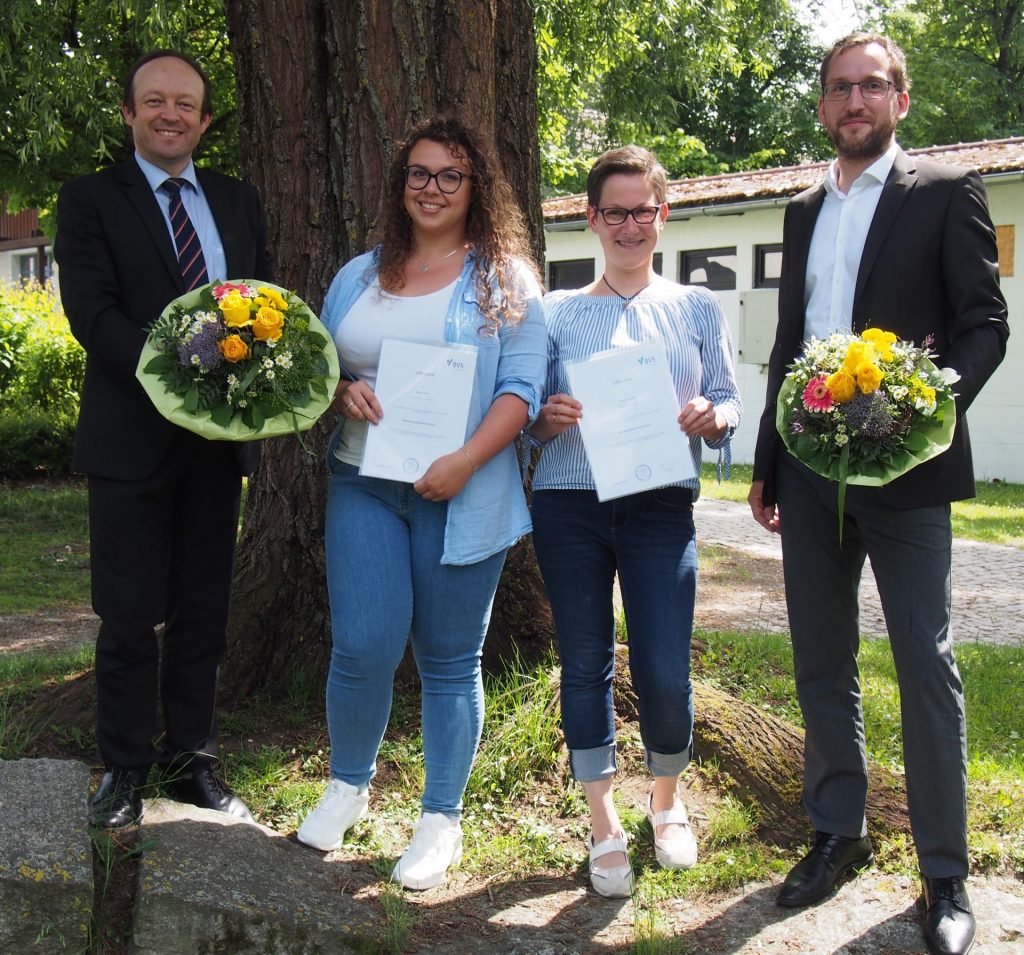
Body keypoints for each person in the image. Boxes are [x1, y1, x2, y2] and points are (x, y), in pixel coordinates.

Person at [747, 33, 1008, 955]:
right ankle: (839, 832)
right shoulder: (802, 208)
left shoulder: (945, 191)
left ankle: (944, 872)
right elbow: (791, 338)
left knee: (923, 664)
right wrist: (768, 459)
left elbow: (985, 323)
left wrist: (925, 406)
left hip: (909, 471)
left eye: (871, 86)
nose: (853, 101)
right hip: (810, 469)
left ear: (901, 98)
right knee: (821, 656)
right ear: (823, 104)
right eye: (839, 88)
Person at [295, 117, 546, 891]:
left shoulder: (505, 279)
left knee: (448, 656)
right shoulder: (358, 275)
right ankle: (348, 785)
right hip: (364, 482)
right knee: (362, 645)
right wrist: (342, 390)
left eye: (450, 175)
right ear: (400, 182)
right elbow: (318, 366)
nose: (431, 188)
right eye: (419, 172)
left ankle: (441, 818)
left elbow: (522, 390)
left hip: (461, 492)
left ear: (476, 188)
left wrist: (465, 460)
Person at [55, 50, 273, 828]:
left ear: (204, 120)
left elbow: (263, 306)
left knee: (202, 611)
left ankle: (192, 763)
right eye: (154, 101)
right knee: (126, 613)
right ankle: (123, 769)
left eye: (185, 103)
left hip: (216, 445)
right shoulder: (89, 199)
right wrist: (177, 368)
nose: (170, 114)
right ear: (129, 113)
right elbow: (92, 313)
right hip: (128, 439)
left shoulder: (238, 200)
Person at [528, 146, 742, 898]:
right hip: (569, 506)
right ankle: (602, 822)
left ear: (663, 214)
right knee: (584, 661)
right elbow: (526, 414)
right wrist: (546, 418)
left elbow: (729, 399)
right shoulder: (554, 311)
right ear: (591, 219)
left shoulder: (695, 306)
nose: (628, 226)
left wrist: (715, 416)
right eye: (613, 212)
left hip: (659, 508)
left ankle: (667, 800)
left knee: (663, 665)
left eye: (641, 211)